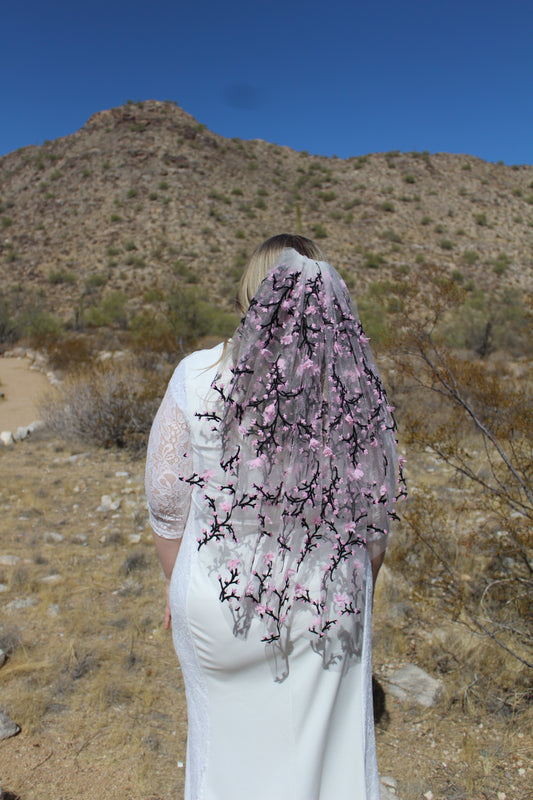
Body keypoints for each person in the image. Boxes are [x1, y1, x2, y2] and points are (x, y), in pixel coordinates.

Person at [145, 234, 405, 800]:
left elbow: (167, 504)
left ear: (249, 292)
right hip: (329, 602)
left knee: (225, 758)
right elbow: (375, 525)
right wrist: (357, 590)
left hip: (221, 605)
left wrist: (179, 584)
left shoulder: (196, 375)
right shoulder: (352, 391)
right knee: (329, 762)